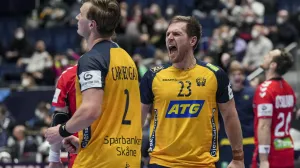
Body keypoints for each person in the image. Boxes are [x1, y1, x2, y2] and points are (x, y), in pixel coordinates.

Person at [45, 0, 142, 167]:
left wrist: (60, 131)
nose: (76, 17)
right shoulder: (127, 59)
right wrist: (83, 140)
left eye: (80, 14)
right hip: (128, 156)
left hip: (99, 160)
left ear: (91, 24)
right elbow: (112, 113)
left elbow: (91, 110)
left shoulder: (92, 60)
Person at [140, 15, 244, 168]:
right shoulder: (153, 76)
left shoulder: (214, 75)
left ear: (192, 41)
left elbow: (230, 116)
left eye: (176, 34)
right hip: (161, 163)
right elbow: (137, 120)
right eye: (168, 34)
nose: (169, 37)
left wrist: (238, 158)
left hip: (202, 164)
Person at [252, 49, 296, 168]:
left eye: (269, 55)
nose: (265, 56)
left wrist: (264, 159)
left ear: (273, 65)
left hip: (271, 153)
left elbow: (264, 125)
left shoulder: (265, 90)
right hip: (287, 150)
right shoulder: (289, 88)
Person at [219, 61, 255, 168]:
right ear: (229, 77)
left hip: (249, 143)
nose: (237, 77)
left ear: (244, 76)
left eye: (239, 74)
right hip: (227, 145)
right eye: (234, 75)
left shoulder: (252, 93)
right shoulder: (222, 95)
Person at [48, 65, 78, 168]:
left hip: (82, 152)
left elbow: (60, 116)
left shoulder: (70, 74)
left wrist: (54, 157)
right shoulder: (127, 69)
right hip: (123, 148)